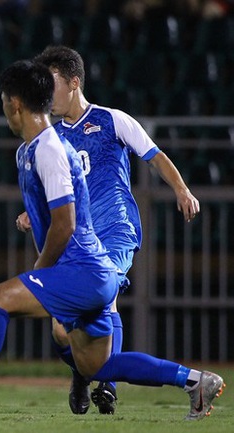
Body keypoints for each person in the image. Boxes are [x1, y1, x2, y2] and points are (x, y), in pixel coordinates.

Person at [0, 59, 224, 421]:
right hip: (91, 272)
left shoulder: (50, 148)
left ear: (15, 105)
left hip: (86, 267)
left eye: (4, 103)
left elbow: (66, 223)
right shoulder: (32, 149)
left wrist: (40, 272)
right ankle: (196, 381)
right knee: (97, 365)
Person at [20, 45, 201, 415]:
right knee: (59, 329)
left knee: (108, 298)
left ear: (73, 83)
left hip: (117, 231)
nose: (45, 95)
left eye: (50, 84)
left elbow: (155, 156)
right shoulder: (51, 138)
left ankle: (108, 383)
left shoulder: (113, 120)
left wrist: (182, 189)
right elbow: (54, 189)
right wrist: (29, 212)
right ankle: (84, 373)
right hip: (78, 239)